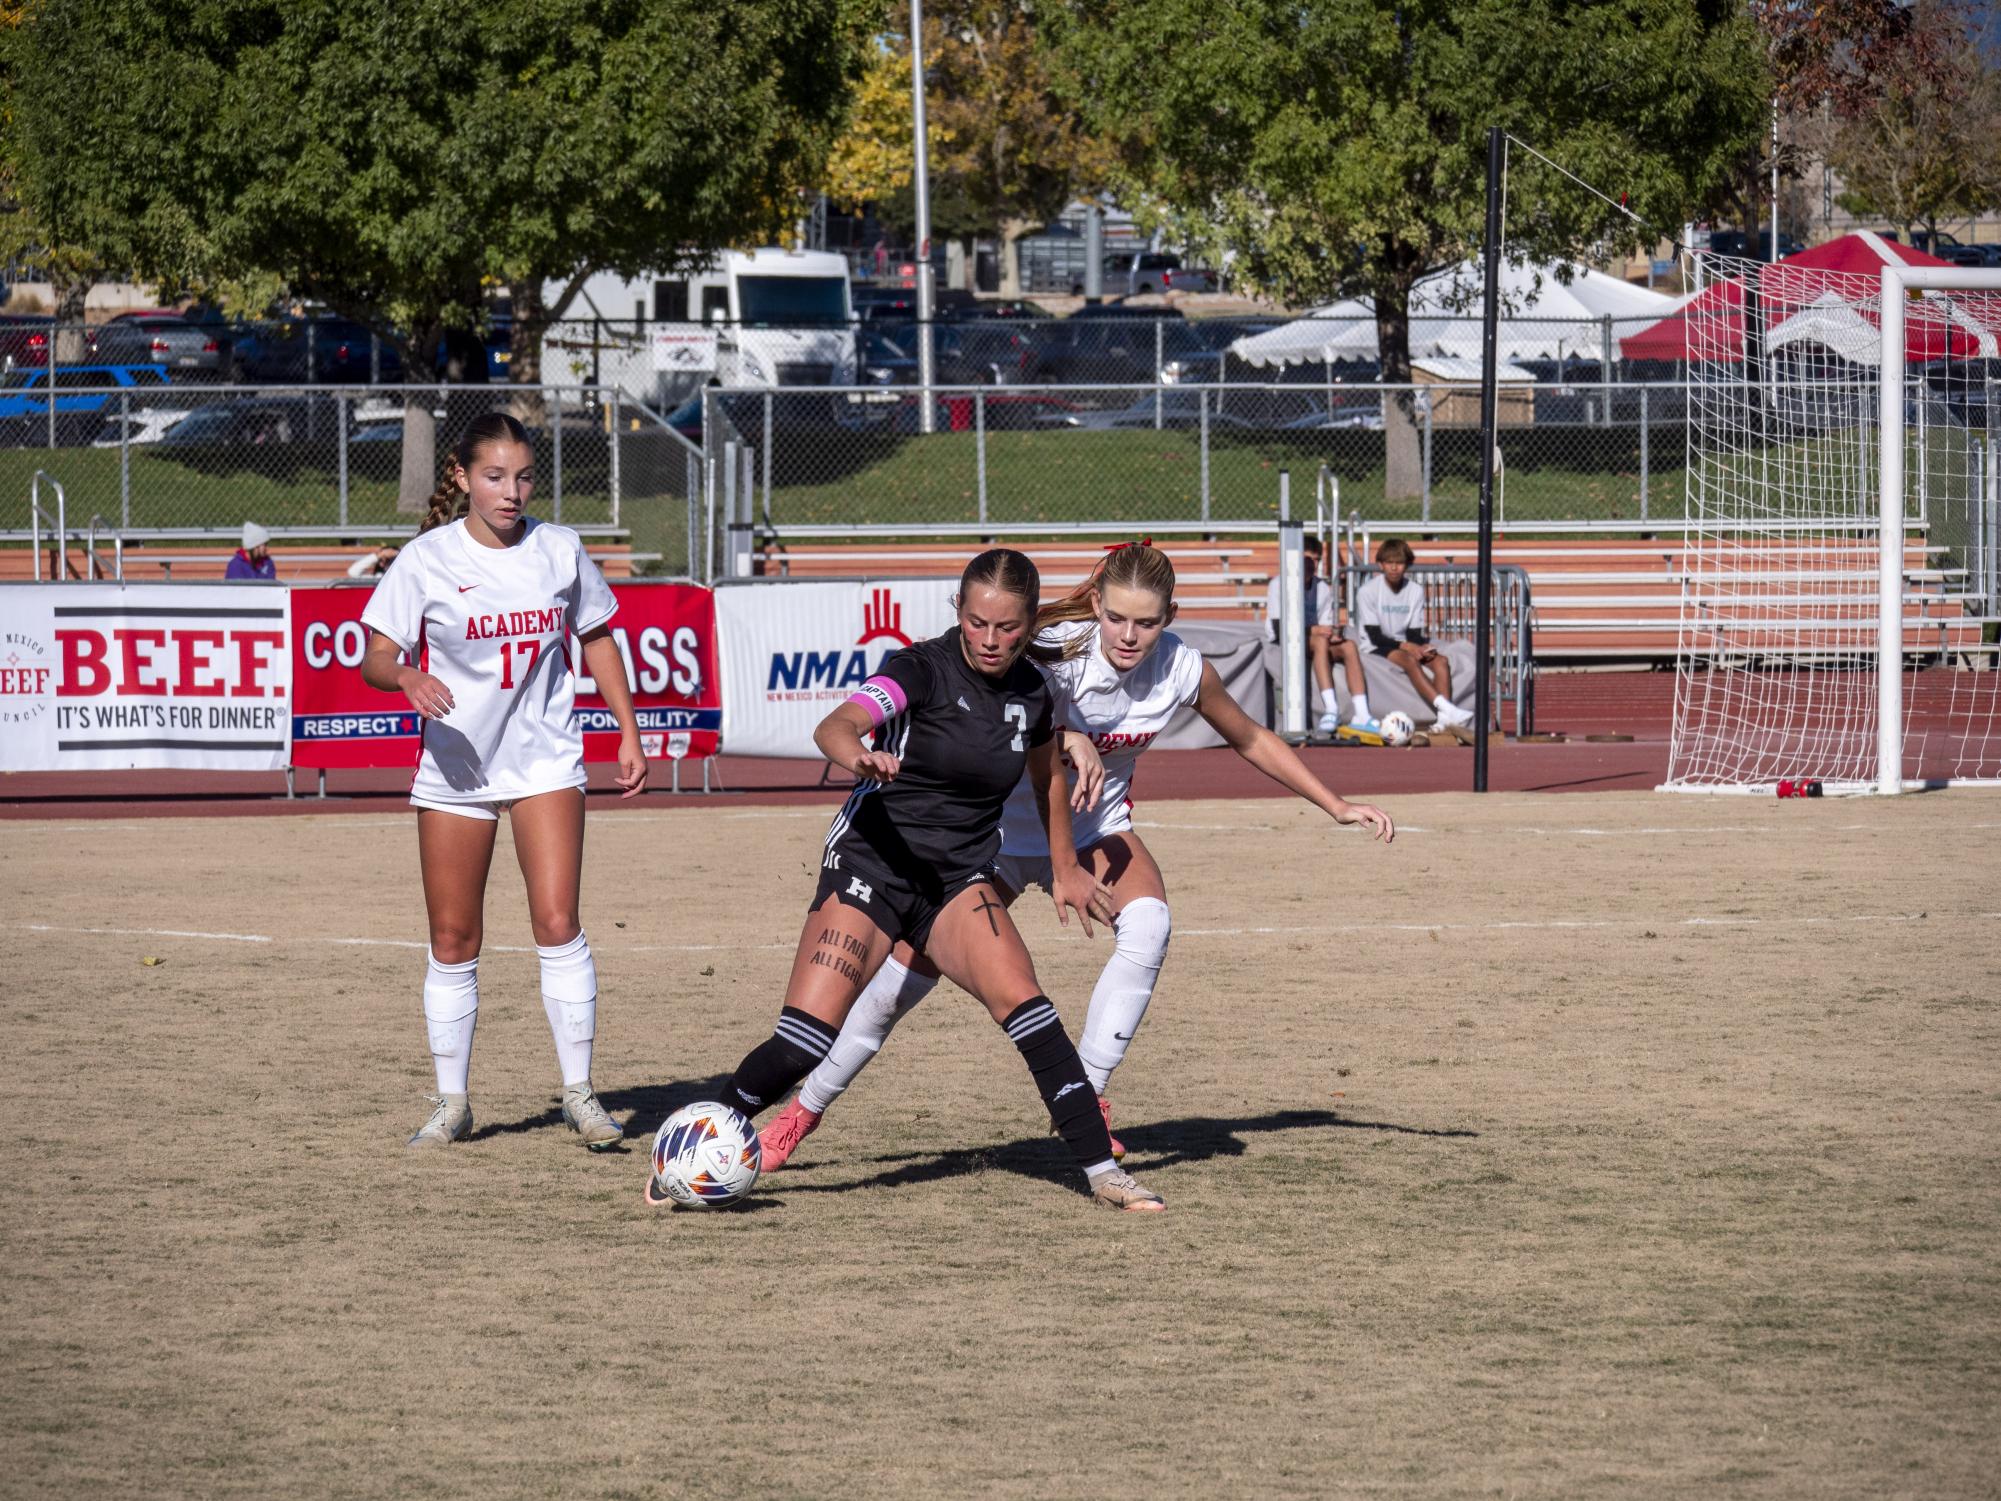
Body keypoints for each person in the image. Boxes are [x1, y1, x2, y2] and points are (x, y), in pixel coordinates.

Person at [758, 541, 1395, 1172]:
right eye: (1116, 617)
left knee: (1150, 924)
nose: (1128, 634)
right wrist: (1067, 734)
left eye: (1147, 622)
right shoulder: (1054, 651)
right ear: (1096, 604)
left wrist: (1334, 804)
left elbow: (1251, 737)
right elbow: (989, 694)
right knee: (900, 985)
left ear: (1169, 618)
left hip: (1091, 831)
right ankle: (800, 1114)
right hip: (998, 834)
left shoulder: (1181, 669)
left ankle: (1085, 1096)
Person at [692, 548, 1168, 1213]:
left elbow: (1047, 775)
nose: (991, 640)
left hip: (956, 880)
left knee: (1031, 1011)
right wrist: (856, 750)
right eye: (977, 623)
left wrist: (1063, 865)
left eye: (1007, 627)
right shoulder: (917, 669)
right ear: (959, 613)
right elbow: (838, 722)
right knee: (804, 1040)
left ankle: (1100, 1171)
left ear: (1029, 623)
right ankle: (693, 1140)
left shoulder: (1032, 691)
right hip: (872, 865)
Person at [358, 412, 649, 1152]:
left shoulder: (560, 549)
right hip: (456, 768)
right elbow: (373, 656)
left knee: (557, 922)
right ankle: (452, 1103)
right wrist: (407, 673)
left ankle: (580, 1095)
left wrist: (628, 727)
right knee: (454, 937)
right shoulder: (425, 558)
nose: (511, 491)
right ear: (460, 477)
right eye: (494, 476)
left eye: (523, 476)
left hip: (545, 761)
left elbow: (597, 637)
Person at [1265, 533, 1380, 739]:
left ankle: (1362, 713)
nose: (1313, 564)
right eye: (1307, 559)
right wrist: (1317, 630)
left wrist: (1333, 633)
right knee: (1320, 640)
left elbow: (1324, 623)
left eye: (1316, 560)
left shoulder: (1322, 587)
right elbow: (1279, 627)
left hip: (1313, 639)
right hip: (1285, 639)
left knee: (1349, 646)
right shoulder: (1278, 584)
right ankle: (1331, 708)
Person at [1357, 538, 1473, 729]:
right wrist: (1407, 647)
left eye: (1399, 563)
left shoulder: (1415, 590)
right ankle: (1448, 708)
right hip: (1375, 646)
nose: (1394, 568)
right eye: (1389, 563)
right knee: (1408, 660)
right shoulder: (1367, 591)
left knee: (1441, 661)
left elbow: (1414, 633)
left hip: (1403, 644)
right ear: (1380, 565)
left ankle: (1444, 720)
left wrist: (1421, 647)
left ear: (1407, 565)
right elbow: (1375, 637)